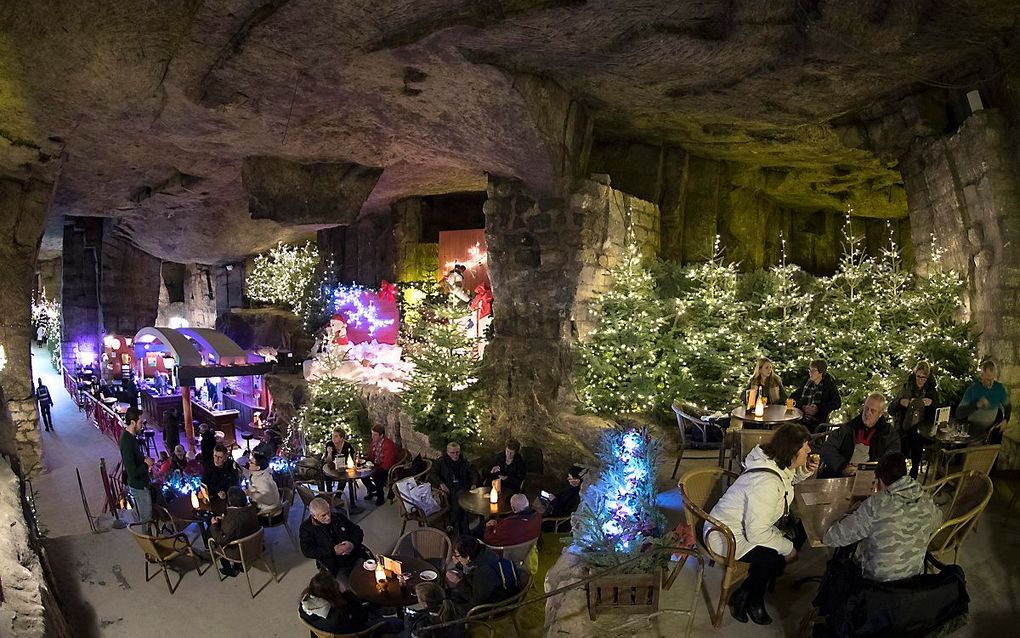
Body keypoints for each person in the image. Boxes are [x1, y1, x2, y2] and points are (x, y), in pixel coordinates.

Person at [708, 423, 817, 625]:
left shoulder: (775, 462)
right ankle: (753, 599)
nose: (809, 450)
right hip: (725, 534)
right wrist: (788, 549)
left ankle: (744, 593)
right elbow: (757, 533)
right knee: (771, 558)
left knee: (796, 535)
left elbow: (785, 481)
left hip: (746, 526)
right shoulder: (765, 483)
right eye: (805, 447)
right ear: (792, 451)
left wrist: (803, 472)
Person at [823, 453, 943, 582]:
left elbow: (832, 539)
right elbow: (938, 520)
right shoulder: (925, 499)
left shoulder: (877, 504)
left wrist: (852, 512)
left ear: (879, 481)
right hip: (913, 583)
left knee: (845, 559)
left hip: (878, 587)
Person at [818, 393, 900, 478]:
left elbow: (892, 458)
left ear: (880, 413)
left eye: (873, 410)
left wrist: (867, 469)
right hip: (841, 474)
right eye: (866, 408)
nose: (868, 413)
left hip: (872, 477)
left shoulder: (888, 433)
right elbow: (827, 448)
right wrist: (842, 466)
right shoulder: (849, 428)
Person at [299, 570, 403, 637]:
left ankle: (377, 608)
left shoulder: (304, 605)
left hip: (334, 629)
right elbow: (361, 616)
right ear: (332, 593)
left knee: (369, 604)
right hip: (357, 631)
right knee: (398, 623)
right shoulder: (339, 616)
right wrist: (346, 593)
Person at [299, 497, 366, 586]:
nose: (328, 517)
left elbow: (357, 531)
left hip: (355, 556)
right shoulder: (306, 528)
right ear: (314, 516)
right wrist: (333, 551)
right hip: (334, 566)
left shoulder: (339, 517)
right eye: (323, 515)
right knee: (349, 590)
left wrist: (352, 544)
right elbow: (307, 550)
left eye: (329, 512)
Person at [888, 362, 938, 479]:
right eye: (918, 376)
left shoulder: (931, 391)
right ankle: (899, 471)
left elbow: (937, 412)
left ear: (927, 378)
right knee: (901, 440)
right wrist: (901, 402)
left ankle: (914, 469)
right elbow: (891, 409)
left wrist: (931, 404)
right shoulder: (906, 387)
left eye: (923, 377)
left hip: (921, 426)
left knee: (917, 439)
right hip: (904, 424)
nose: (920, 380)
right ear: (915, 375)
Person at [446, 535, 520, 611]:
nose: (454, 558)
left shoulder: (483, 571)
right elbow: (473, 574)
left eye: (457, 555)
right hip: (495, 591)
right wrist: (460, 565)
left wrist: (458, 581)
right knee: (450, 593)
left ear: (467, 557)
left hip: (497, 607)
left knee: (450, 606)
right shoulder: (484, 552)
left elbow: (476, 601)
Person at [209, 486, 261, 577]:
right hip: (257, 546)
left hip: (240, 552)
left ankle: (229, 570)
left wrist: (214, 525)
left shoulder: (231, 520)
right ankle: (239, 566)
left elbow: (221, 540)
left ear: (230, 501)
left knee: (213, 540)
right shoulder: (252, 508)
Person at [957, 359, 1012, 443]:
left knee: (993, 449)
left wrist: (1006, 420)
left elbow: (1007, 406)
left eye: (992, 379)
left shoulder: (999, 388)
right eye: (987, 379)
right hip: (973, 430)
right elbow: (959, 414)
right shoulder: (972, 389)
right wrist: (976, 405)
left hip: (991, 428)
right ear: (981, 375)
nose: (990, 383)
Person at [119, 407, 154, 524]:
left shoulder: (131, 437)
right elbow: (132, 473)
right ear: (133, 423)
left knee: (145, 518)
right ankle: (146, 541)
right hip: (139, 487)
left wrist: (144, 460)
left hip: (141, 483)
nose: (142, 426)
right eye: (140, 423)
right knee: (146, 519)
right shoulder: (127, 442)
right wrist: (146, 464)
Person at [432, 442, 474, 533]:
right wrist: (441, 483)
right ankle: (464, 530)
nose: (455, 455)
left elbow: (473, 472)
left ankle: (452, 523)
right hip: (448, 487)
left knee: (460, 497)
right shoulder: (441, 462)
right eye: (452, 453)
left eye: (457, 452)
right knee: (460, 500)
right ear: (447, 452)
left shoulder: (464, 461)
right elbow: (432, 474)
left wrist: (473, 484)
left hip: (462, 486)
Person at [790, 359, 842, 432]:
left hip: (818, 421)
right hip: (801, 417)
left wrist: (818, 408)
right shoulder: (807, 382)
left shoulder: (829, 384)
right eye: (809, 370)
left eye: (813, 371)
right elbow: (793, 397)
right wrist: (803, 406)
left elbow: (837, 403)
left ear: (821, 372)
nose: (810, 373)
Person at [362, 425, 397, 506]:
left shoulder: (388, 445)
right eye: (372, 434)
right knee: (362, 474)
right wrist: (365, 460)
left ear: (381, 435)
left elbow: (388, 463)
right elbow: (370, 455)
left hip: (386, 468)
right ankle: (372, 490)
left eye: (375, 435)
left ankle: (380, 497)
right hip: (375, 465)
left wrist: (375, 469)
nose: (372, 436)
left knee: (377, 477)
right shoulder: (374, 442)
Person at [246, 452, 283, 522]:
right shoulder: (261, 473)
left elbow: (268, 499)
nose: (248, 463)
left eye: (251, 462)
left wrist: (250, 493)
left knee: (243, 517)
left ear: (257, 468)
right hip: (269, 510)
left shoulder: (263, 480)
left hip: (270, 515)